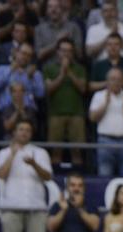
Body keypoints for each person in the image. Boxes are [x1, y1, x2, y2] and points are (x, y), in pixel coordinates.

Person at [0, 120, 52, 232]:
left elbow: (48, 177)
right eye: (21, 129)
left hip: (36, 206)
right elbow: (1, 175)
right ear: (14, 132)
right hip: (12, 206)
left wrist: (34, 164)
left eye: (28, 130)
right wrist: (12, 155)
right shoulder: (4, 152)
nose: (24, 133)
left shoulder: (40, 152)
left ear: (31, 134)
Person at [43, 38, 88, 170]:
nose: (66, 54)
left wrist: (69, 72)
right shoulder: (49, 68)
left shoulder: (79, 69)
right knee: (56, 151)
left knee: (77, 151)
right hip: (55, 113)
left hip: (77, 114)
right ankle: (56, 175)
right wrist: (62, 74)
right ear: (57, 52)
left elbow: (83, 88)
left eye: (69, 51)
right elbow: (48, 89)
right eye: (63, 50)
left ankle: (78, 174)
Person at [89, 67, 123, 179]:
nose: (116, 82)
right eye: (113, 79)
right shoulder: (98, 96)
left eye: (119, 79)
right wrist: (105, 104)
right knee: (104, 176)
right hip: (105, 141)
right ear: (107, 81)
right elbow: (93, 118)